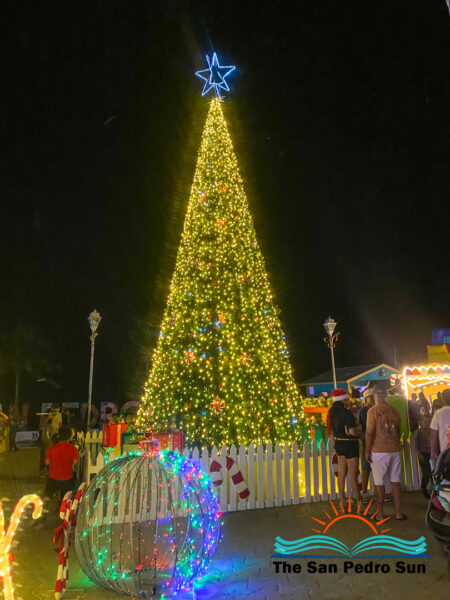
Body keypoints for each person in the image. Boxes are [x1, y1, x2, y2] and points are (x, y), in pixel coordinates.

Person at [365, 383, 406, 520]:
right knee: (395, 481)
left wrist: (367, 450)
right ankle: (399, 513)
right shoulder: (395, 411)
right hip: (395, 449)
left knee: (379, 482)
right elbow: (398, 430)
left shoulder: (372, 411)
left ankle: (380, 514)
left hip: (379, 450)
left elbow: (369, 433)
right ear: (386, 395)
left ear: (375, 396)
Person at [328, 388, 361, 506]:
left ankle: (342, 501)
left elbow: (331, 430)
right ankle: (359, 502)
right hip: (350, 444)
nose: (348, 400)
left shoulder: (331, 412)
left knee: (341, 473)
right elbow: (352, 431)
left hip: (339, 444)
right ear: (343, 400)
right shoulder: (347, 413)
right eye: (347, 399)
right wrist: (359, 432)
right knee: (353, 475)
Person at [44, 426, 78, 501]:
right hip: (67, 478)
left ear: (58, 436)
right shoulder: (72, 448)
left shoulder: (53, 448)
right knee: (66, 497)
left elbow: (47, 462)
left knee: (47, 495)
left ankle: (46, 502)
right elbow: (75, 462)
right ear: (70, 437)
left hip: (53, 477)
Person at [358, 387, 374, 503]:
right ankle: (364, 491)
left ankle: (380, 491)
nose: (372, 399)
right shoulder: (363, 411)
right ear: (366, 398)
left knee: (378, 467)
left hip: (376, 441)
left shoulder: (375, 409)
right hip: (366, 441)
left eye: (373, 397)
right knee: (366, 467)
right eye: (370, 397)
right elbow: (360, 427)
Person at [430, 388, 450, 461]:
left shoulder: (438, 413)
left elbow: (433, 434)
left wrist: (433, 451)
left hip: (446, 451)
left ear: (443, 399)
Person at [415, 414, 432, 499]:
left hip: (432, 454)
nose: (428, 423)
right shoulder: (419, 432)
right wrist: (418, 453)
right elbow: (416, 444)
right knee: (426, 472)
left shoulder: (433, 431)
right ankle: (423, 488)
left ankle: (434, 490)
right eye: (426, 421)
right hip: (423, 454)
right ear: (422, 422)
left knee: (433, 472)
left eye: (429, 421)